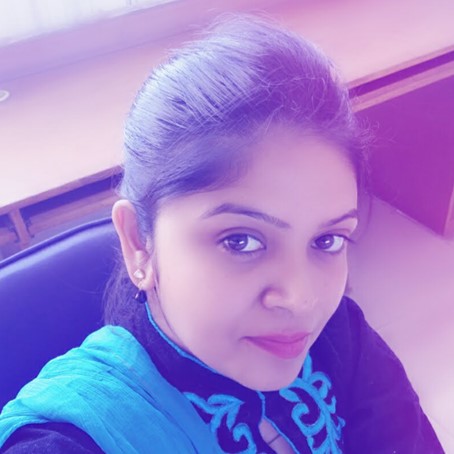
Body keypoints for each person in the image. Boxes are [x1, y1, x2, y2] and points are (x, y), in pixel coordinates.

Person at [0, 15, 443, 454]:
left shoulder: (339, 334)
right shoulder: (65, 442)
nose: (301, 299)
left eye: (326, 241)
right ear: (138, 243)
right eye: (240, 241)